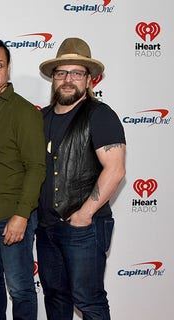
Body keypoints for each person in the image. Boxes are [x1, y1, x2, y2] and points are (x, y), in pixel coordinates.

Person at [36, 37, 126, 320]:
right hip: (47, 228)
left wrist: (85, 214)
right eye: (61, 73)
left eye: (76, 73)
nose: (67, 79)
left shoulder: (100, 115)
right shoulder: (42, 118)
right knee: (56, 299)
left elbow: (116, 169)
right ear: (53, 78)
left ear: (89, 80)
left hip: (84, 228)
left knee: (89, 301)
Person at [0, 38, 45, 320]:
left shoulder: (24, 111)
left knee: (21, 288)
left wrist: (22, 215)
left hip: (11, 214)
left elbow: (36, 167)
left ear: (8, 69)